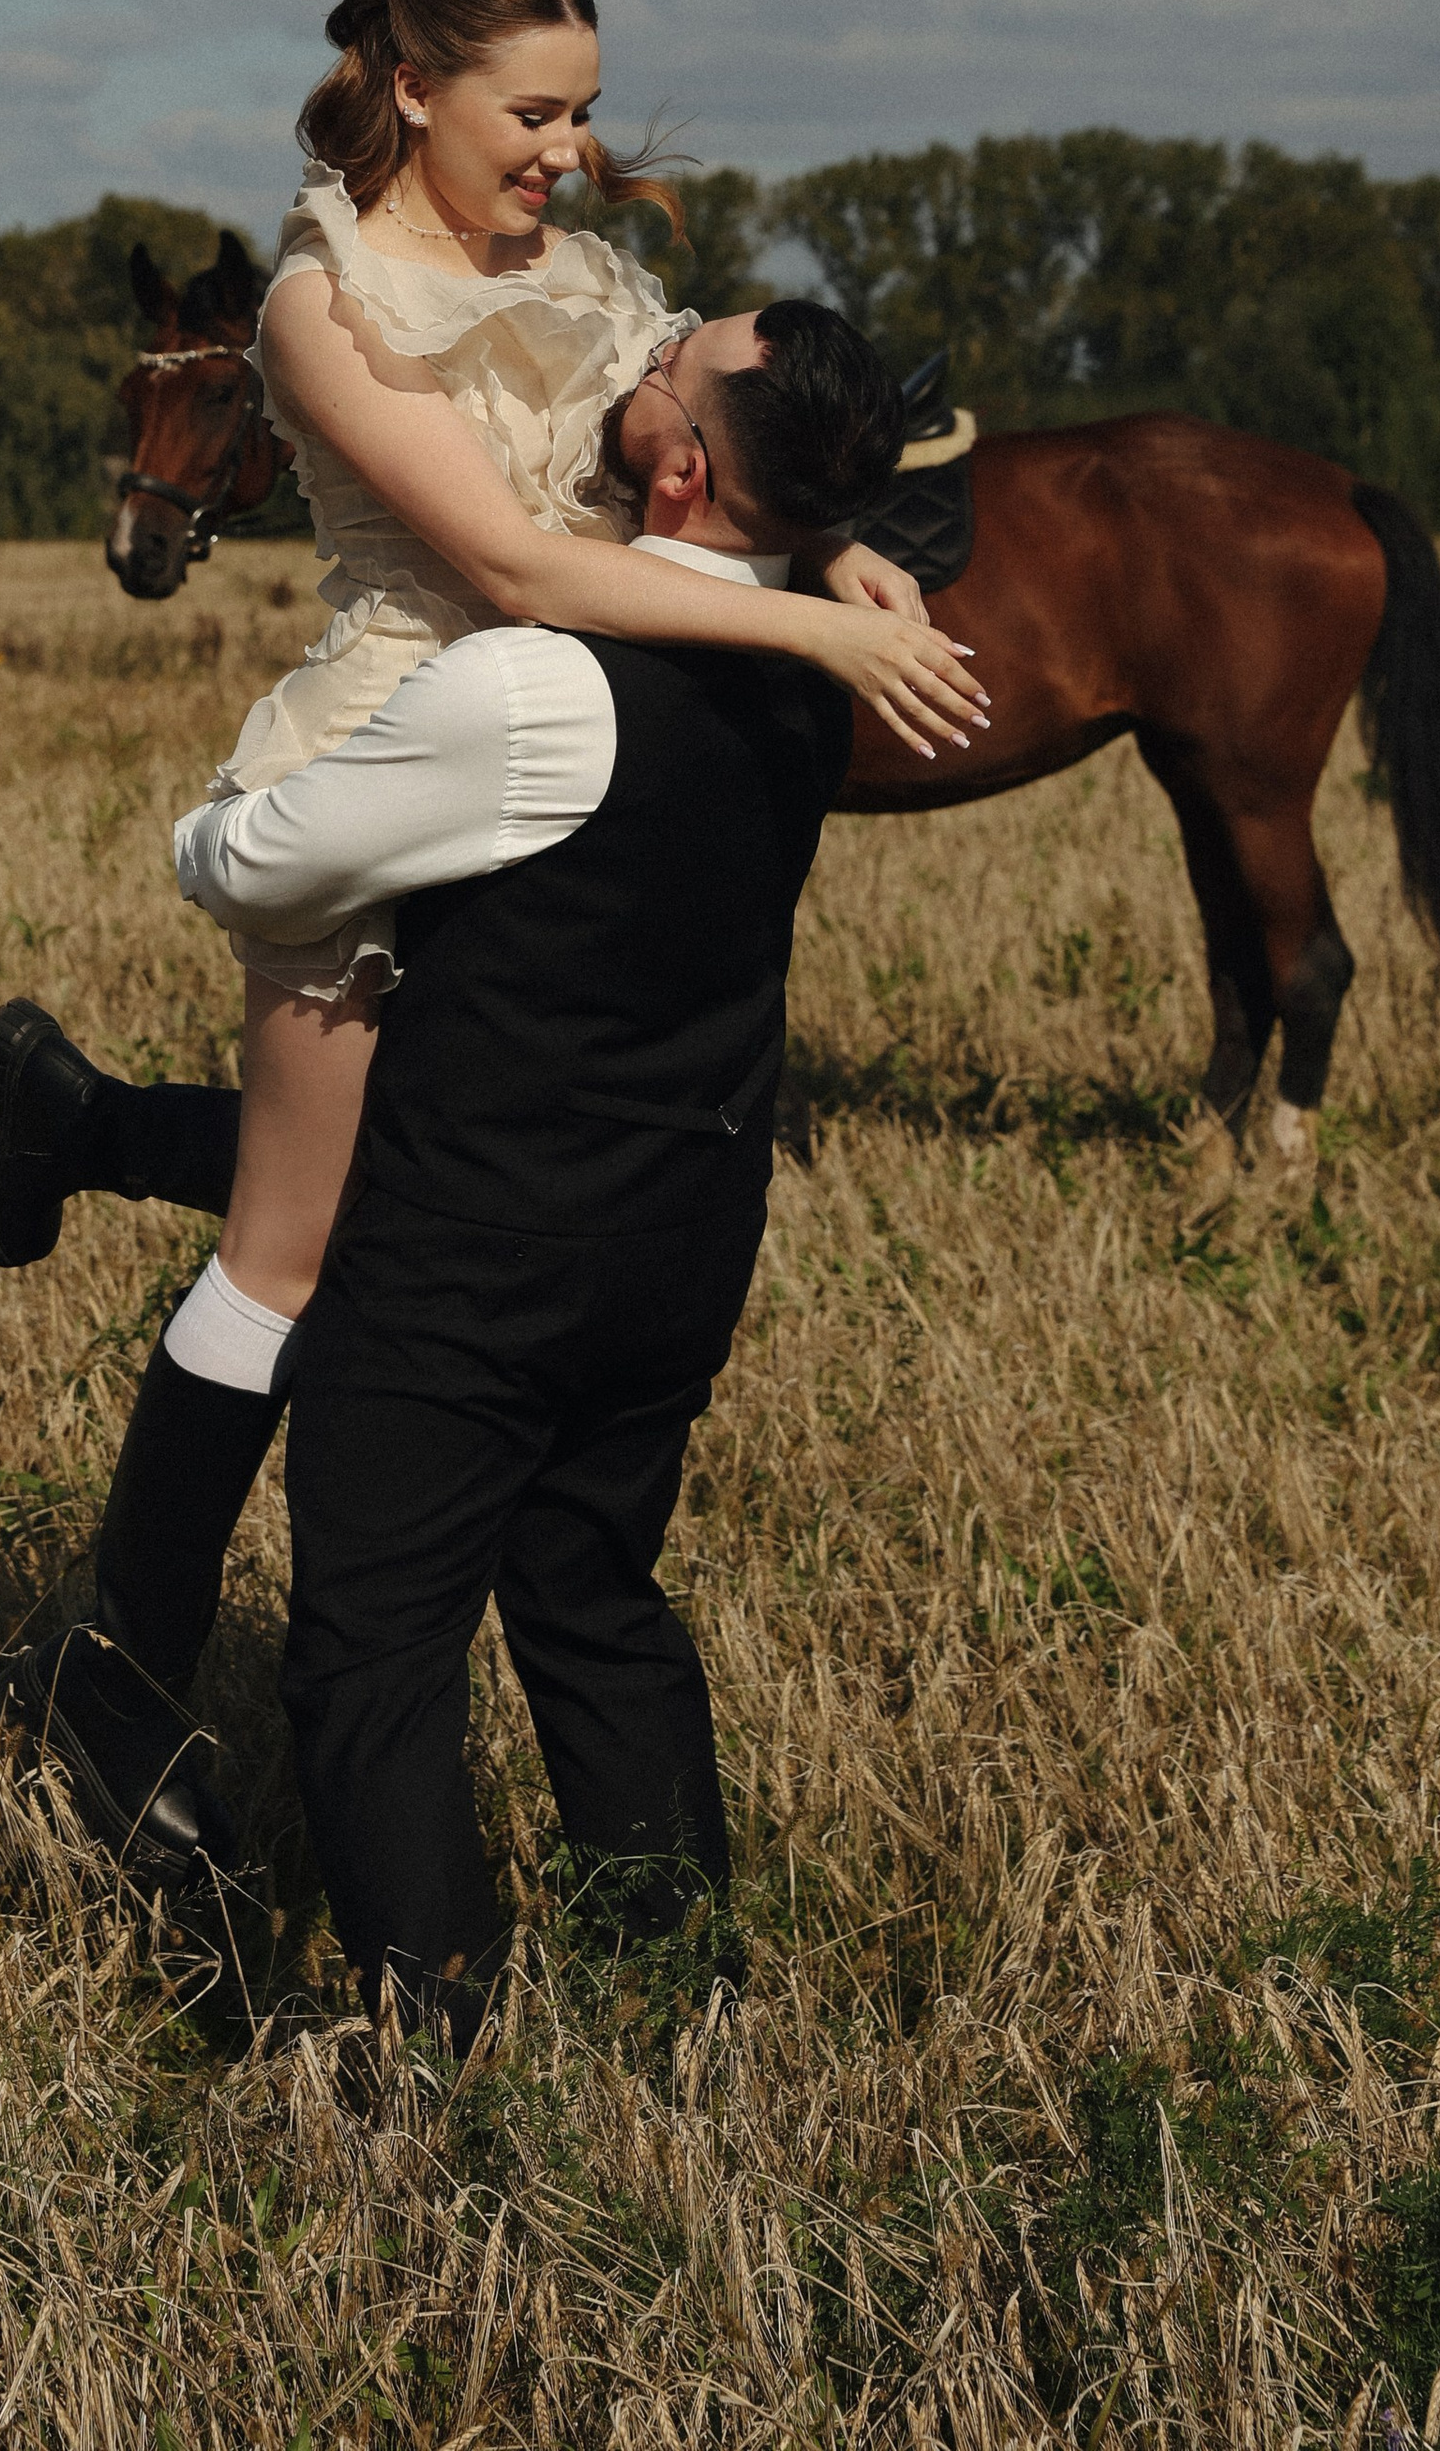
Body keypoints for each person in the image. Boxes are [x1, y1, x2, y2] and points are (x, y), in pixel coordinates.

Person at [0, 0, 985, 1876]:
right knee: (291, 1243)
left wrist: (835, 546)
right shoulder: (318, 310)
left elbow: (700, 447)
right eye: (537, 110)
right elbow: (516, 565)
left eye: (588, 108)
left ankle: (79, 1128)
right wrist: (801, 626)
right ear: (415, 88)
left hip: (579, 736)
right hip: (406, 742)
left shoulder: (586, 277)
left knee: (433, 1180)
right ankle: (120, 1683)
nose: (570, 147)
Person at [184, 304, 898, 2043]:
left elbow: (258, 870)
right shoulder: (825, 671)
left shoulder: (531, 689)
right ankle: (674, 1988)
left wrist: (218, 814)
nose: (632, 363)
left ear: (679, 464)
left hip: (472, 1251)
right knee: (593, 1594)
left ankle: (434, 2048)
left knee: (375, 1647)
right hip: (684, 1237)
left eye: (662, 367)